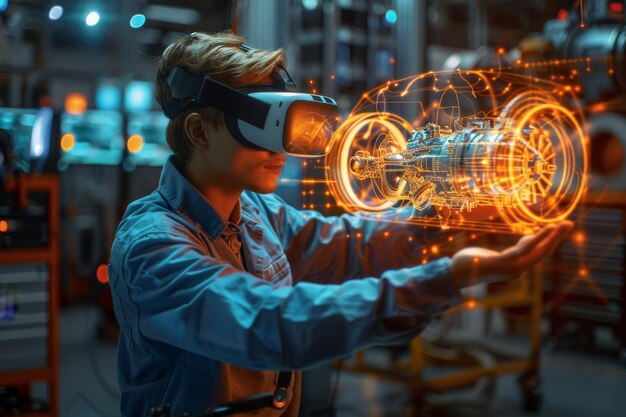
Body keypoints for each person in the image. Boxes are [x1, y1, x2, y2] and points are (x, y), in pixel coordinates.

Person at [108, 31, 573, 417]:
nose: (281, 150)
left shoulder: (256, 215)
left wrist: (447, 219)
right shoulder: (153, 247)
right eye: (263, 127)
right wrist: (452, 276)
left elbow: (350, 245)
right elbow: (273, 323)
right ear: (199, 131)